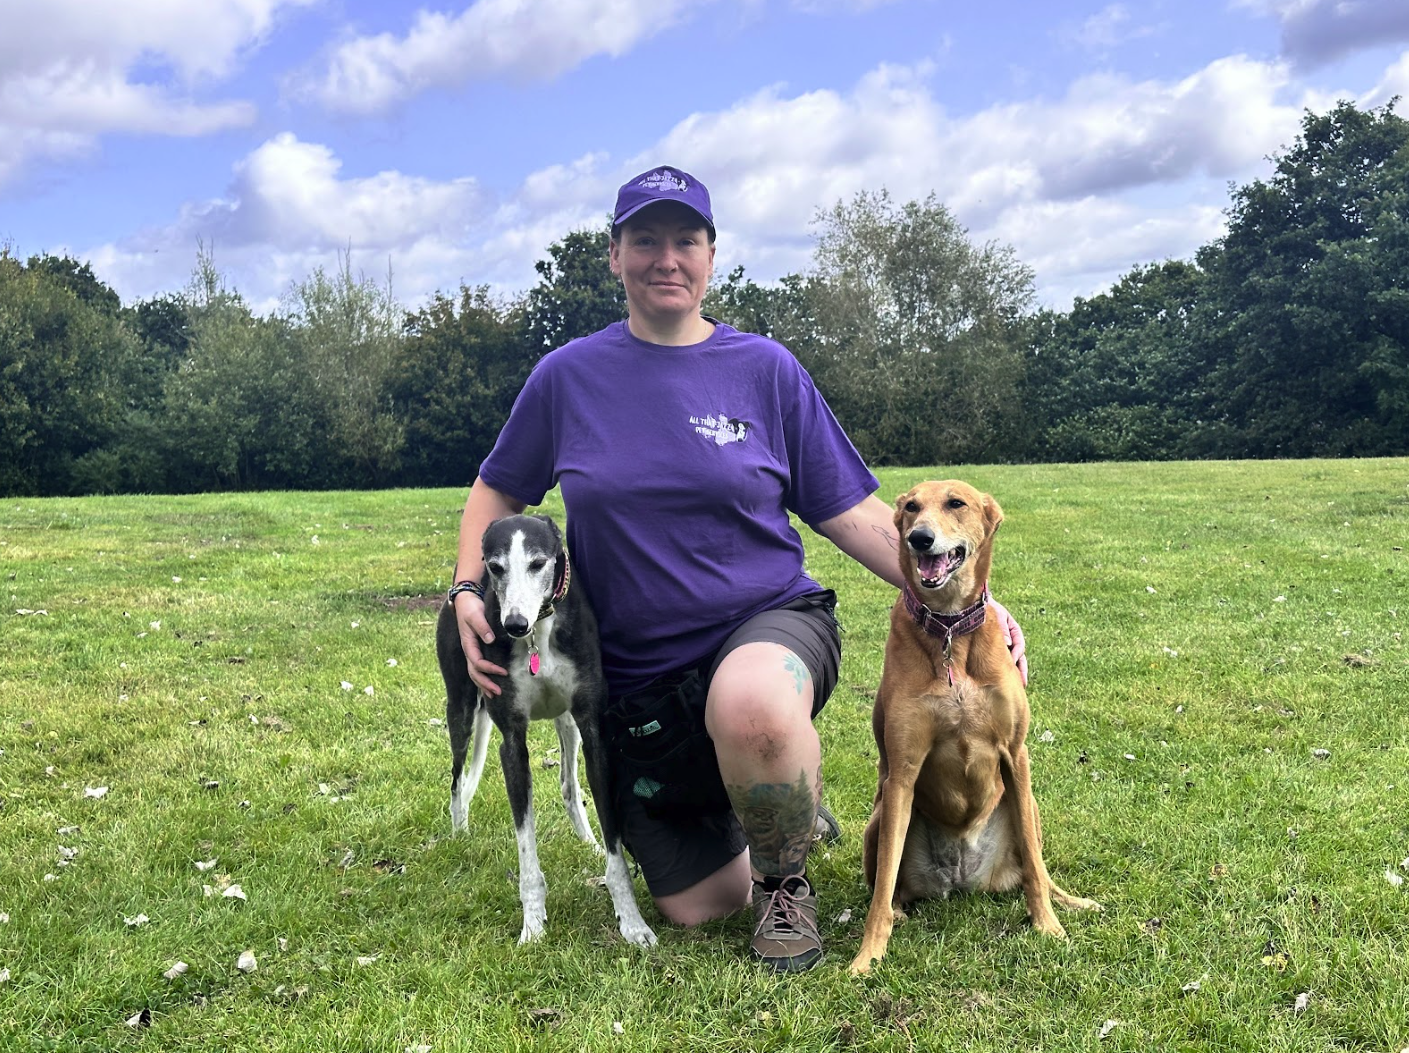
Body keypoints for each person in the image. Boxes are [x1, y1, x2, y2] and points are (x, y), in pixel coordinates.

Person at [449, 165, 1026, 972]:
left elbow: (854, 514)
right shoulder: (567, 377)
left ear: (711, 256)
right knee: (700, 906)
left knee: (753, 707)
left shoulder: (763, 369)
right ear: (613, 256)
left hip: (767, 624)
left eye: (685, 239)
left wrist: (971, 607)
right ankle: (777, 798)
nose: (665, 257)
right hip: (639, 673)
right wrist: (467, 588)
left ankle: (786, 879)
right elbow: (495, 488)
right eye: (643, 240)